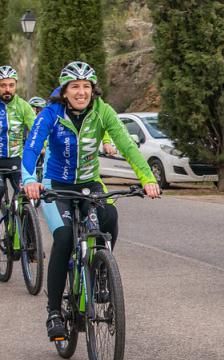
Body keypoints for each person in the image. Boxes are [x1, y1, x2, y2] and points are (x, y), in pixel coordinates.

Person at [21, 61, 161, 340]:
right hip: (55, 185)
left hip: (89, 183)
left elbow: (126, 145)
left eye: (86, 87)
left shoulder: (103, 112)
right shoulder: (51, 113)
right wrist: (29, 180)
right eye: (75, 87)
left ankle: (100, 270)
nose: (81, 92)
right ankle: (53, 313)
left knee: (109, 217)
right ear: (64, 91)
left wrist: (147, 178)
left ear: (92, 89)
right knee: (63, 238)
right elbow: (32, 147)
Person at [0, 65, 36, 200]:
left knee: (24, 193)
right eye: (3, 85)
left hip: (16, 159)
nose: (7, 89)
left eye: (11, 85)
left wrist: (43, 145)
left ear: (16, 85)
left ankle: (23, 218)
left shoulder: (23, 106)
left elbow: (37, 130)